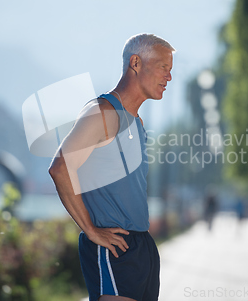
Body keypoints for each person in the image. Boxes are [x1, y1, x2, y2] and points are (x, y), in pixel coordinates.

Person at [49, 33, 175, 301]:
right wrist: (91, 230)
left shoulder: (136, 122)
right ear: (136, 63)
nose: (169, 77)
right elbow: (60, 168)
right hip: (114, 247)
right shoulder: (103, 113)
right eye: (163, 68)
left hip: (141, 246)